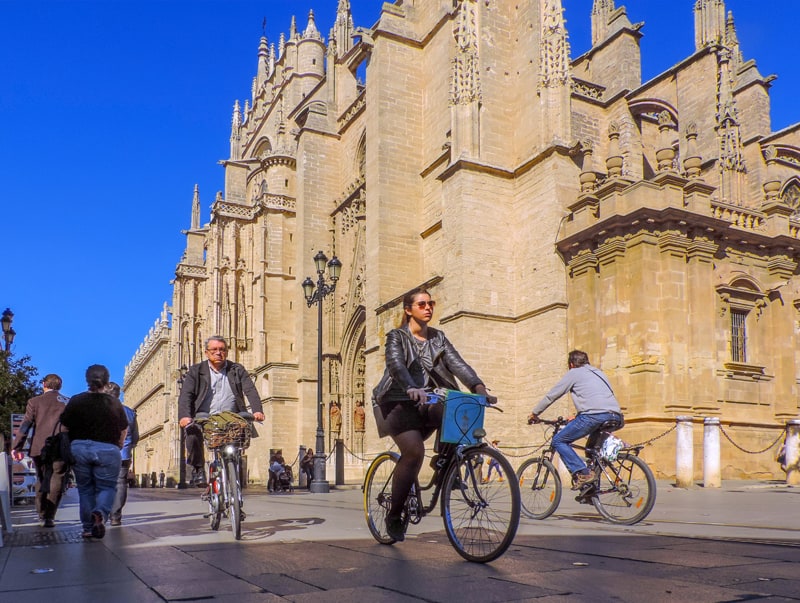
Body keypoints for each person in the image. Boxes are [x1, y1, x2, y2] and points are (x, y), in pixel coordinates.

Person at [372, 288, 496, 542]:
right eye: (421, 304)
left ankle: (444, 464)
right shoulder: (397, 336)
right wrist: (410, 387)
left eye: (431, 303)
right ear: (408, 310)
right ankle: (394, 515)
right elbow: (395, 365)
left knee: (451, 408)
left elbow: (457, 363)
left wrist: (478, 387)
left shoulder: (438, 338)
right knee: (414, 452)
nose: (428, 307)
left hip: (427, 401)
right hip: (398, 403)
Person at [528, 349, 623, 489]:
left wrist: (535, 413)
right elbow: (597, 398)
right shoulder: (599, 373)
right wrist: (577, 416)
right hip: (616, 416)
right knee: (591, 451)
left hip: (593, 416)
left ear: (571, 364)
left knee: (558, 440)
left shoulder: (574, 373)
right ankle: (591, 491)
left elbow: (552, 396)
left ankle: (584, 473)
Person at [178, 336, 265, 487]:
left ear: (226, 352)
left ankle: (233, 481)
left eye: (222, 349)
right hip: (204, 415)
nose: (218, 353)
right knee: (192, 433)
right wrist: (185, 416)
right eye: (214, 350)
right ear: (206, 353)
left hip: (231, 415)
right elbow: (186, 394)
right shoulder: (196, 371)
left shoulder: (236, 369)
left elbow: (250, 389)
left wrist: (257, 410)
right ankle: (198, 469)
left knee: (237, 440)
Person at [61, 365, 129, 539]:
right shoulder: (113, 402)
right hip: (108, 448)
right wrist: (120, 444)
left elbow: (64, 426)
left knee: (85, 490)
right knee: (107, 487)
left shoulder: (76, 400)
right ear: (106, 381)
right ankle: (100, 512)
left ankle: (87, 528)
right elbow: (123, 426)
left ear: (87, 380)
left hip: (80, 448)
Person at [11, 374, 70, 528]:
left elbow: (25, 425)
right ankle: (50, 516)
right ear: (60, 386)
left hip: (40, 447)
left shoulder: (35, 402)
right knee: (57, 478)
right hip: (62, 447)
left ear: (44, 385)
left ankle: (41, 513)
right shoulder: (68, 402)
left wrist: (16, 446)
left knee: (42, 478)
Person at [106, 381, 139, 527]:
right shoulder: (130, 412)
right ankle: (116, 516)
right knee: (120, 484)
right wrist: (129, 446)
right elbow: (136, 436)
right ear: (118, 394)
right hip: (123, 454)